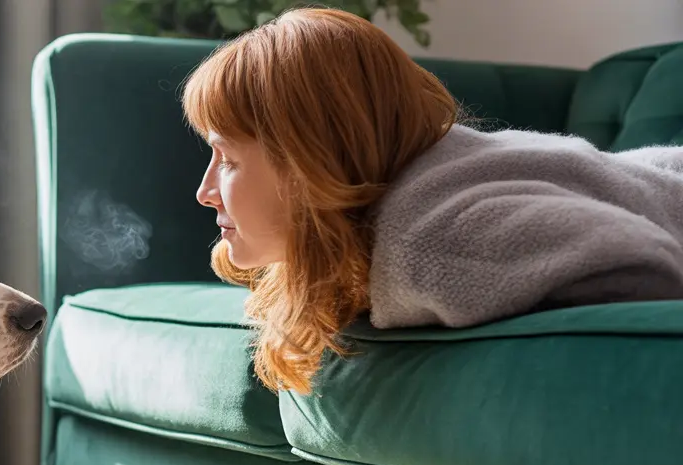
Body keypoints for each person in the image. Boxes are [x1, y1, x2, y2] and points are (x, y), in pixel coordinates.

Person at [182, 7, 683, 395]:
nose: (203, 192)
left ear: (309, 162)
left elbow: (641, 268)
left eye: (227, 159)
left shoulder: (438, 238)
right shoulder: (418, 195)